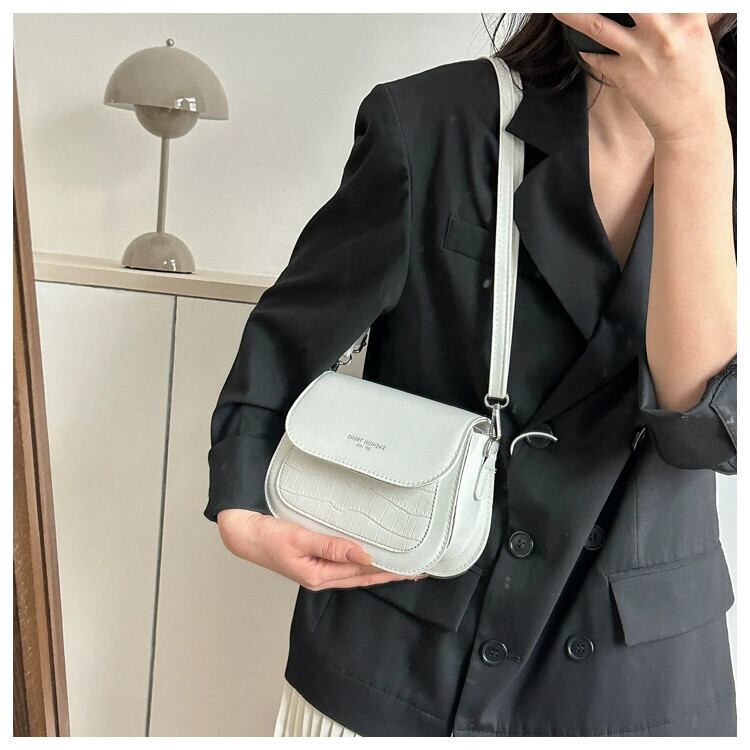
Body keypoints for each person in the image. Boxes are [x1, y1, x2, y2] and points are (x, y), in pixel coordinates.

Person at [204, 13, 737, 737]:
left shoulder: (727, 152)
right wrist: (242, 506)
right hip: (407, 643)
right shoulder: (432, 119)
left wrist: (695, 140)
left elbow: (700, 424)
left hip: (634, 681)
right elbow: (291, 338)